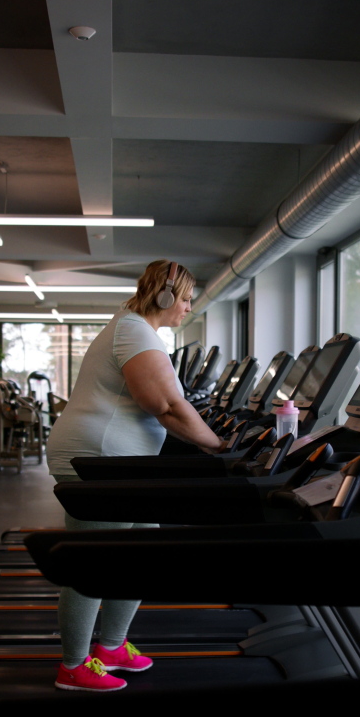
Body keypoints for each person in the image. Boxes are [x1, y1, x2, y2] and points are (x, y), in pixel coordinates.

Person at [46, 259, 225, 692]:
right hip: (96, 457)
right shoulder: (134, 331)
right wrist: (219, 447)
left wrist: (215, 442)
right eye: (184, 299)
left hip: (116, 458)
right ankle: (72, 665)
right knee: (94, 559)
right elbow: (163, 405)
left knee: (139, 549)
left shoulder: (135, 329)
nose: (187, 308)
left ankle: (111, 646)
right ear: (165, 297)